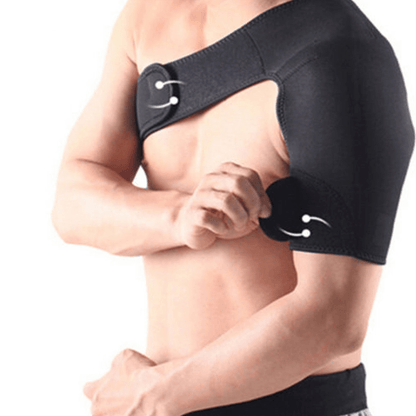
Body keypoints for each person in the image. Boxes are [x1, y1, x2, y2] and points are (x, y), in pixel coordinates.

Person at [52, 0, 414, 415]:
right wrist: (180, 217)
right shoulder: (147, 20)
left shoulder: (342, 53)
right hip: (162, 397)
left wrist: (153, 397)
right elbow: (72, 202)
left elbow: (333, 319)